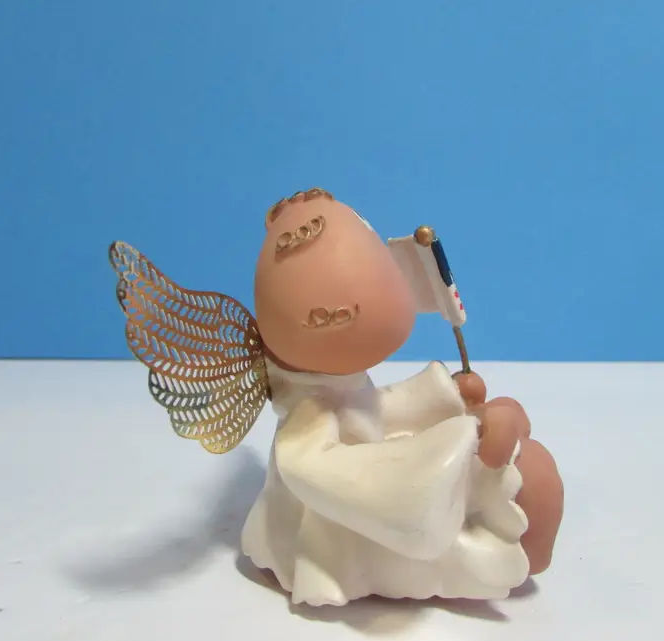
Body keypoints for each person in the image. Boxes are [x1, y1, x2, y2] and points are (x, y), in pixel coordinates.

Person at [241, 189, 564, 606]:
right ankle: (507, 535)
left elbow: (376, 409)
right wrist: (463, 439)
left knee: (524, 465)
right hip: (350, 520)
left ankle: (512, 517)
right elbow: (342, 477)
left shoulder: (338, 386)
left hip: (390, 477)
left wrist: (445, 397)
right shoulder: (307, 424)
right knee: (527, 475)